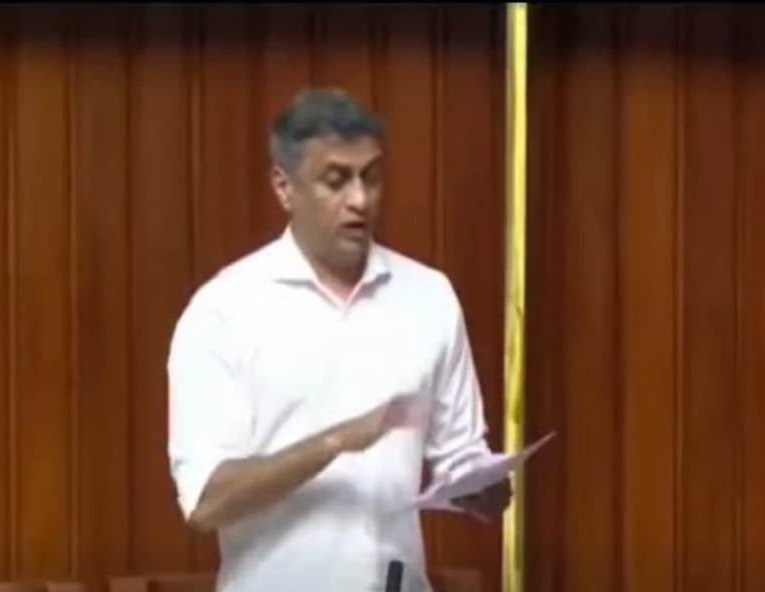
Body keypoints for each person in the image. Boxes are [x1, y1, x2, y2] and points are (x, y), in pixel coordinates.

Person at [166, 88, 510, 592]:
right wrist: (334, 443)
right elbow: (206, 501)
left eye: (371, 177)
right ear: (284, 188)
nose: (360, 200)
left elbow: (461, 452)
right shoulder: (224, 311)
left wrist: (482, 485)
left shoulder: (429, 296)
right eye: (336, 180)